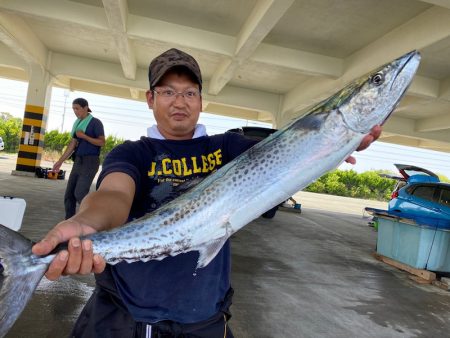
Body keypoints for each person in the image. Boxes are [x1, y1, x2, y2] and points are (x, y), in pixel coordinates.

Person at [33, 48, 381, 338]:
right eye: (168, 91)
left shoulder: (228, 147)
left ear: (201, 100)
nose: (179, 101)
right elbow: (114, 197)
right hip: (126, 316)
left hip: (203, 319)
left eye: (189, 92)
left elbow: (283, 160)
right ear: (150, 98)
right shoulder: (133, 153)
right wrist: (84, 222)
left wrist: (332, 143)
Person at [52, 98, 105, 219]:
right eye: (73, 109)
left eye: (77, 108)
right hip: (78, 161)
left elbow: (102, 142)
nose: (75, 111)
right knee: (69, 195)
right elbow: (72, 144)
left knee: (80, 193)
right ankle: (69, 222)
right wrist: (60, 161)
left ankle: (91, 218)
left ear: (86, 108)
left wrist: (85, 136)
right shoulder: (77, 123)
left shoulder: (95, 122)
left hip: (90, 161)